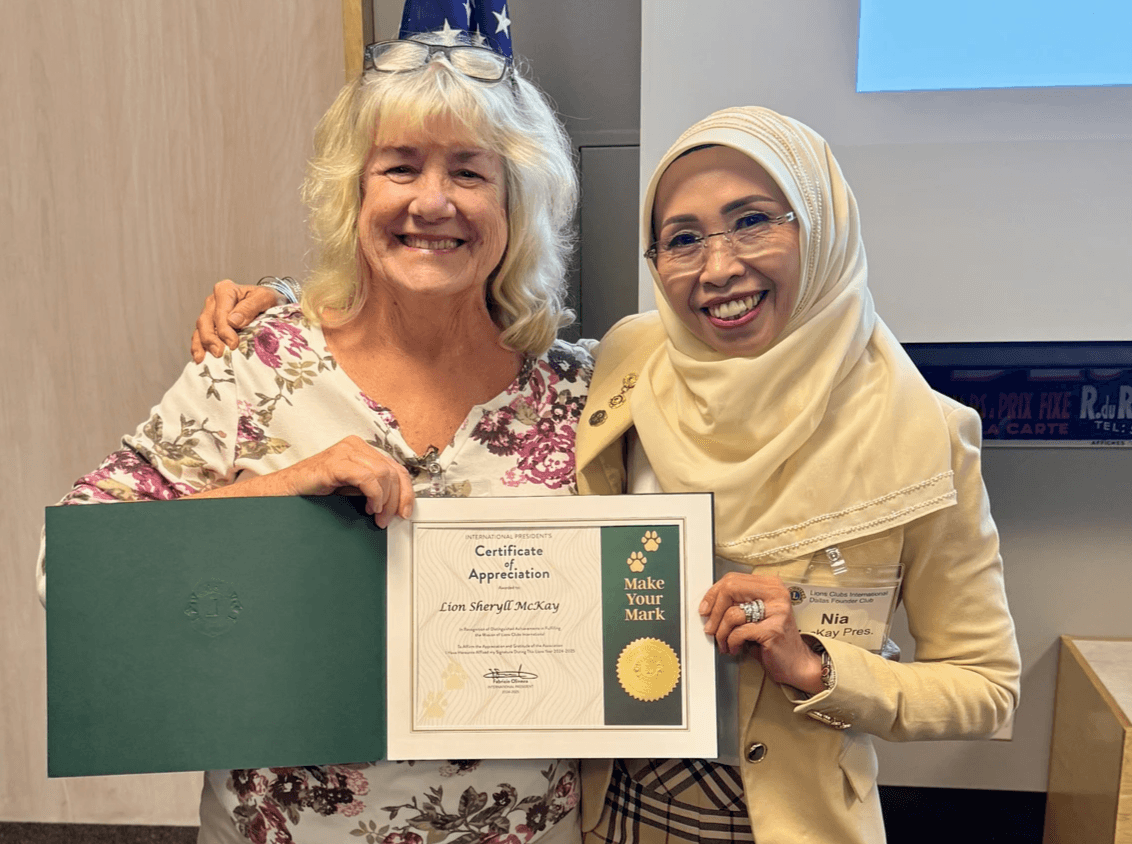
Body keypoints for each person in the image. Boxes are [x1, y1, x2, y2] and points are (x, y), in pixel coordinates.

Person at [188, 106, 1021, 843]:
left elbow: (986, 688)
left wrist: (823, 670)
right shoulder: (628, 367)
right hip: (599, 810)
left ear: (824, 226)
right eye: (683, 238)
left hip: (785, 820)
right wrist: (285, 299)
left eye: (754, 221)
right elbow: (423, 300)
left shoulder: (928, 438)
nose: (719, 265)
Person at [40, 32, 588, 844]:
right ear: (352, 193)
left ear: (518, 200)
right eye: (399, 166)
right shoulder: (256, 365)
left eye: (468, 172)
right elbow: (71, 575)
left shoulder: (584, 391)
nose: (430, 202)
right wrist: (278, 493)